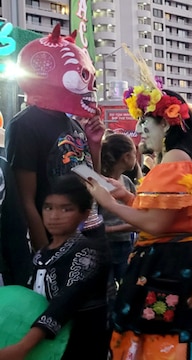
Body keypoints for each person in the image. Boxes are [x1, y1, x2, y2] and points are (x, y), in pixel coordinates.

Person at [87, 79, 192, 357]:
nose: (138, 131)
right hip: (189, 263)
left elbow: (156, 225)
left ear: (166, 125)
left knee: (163, 341)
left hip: (169, 268)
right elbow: (172, 217)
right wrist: (126, 197)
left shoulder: (172, 160)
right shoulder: (190, 160)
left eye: (144, 123)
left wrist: (107, 200)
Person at [2, 24, 106, 286]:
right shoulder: (24, 124)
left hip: (87, 236)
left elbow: (93, 182)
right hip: (55, 243)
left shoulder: (70, 122)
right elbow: (25, 199)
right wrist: (45, 253)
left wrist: (95, 145)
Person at [0, 174, 110, 360]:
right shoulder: (42, 254)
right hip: (44, 343)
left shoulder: (88, 253)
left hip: (81, 343)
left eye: (66, 209)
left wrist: (23, 347)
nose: (54, 216)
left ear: (84, 214)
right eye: (48, 207)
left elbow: (65, 302)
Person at [99, 134, 138, 287]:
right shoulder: (101, 183)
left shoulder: (127, 182)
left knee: (127, 285)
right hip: (105, 245)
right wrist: (128, 227)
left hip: (126, 244)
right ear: (127, 157)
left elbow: (137, 209)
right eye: (135, 153)